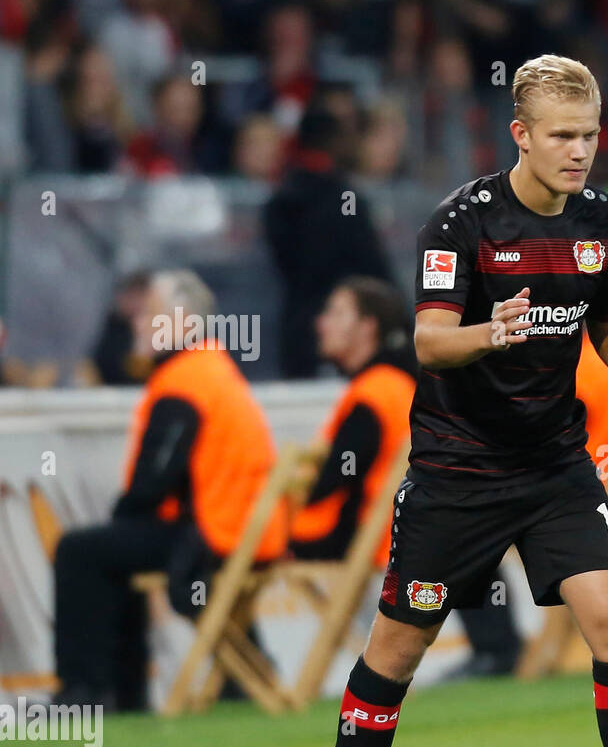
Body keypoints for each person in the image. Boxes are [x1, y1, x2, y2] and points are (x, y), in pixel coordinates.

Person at [320, 54, 608, 747]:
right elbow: (428, 342)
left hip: (555, 468)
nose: (580, 151)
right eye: (563, 136)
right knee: (398, 646)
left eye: (590, 135)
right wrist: (490, 333)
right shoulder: (460, 225)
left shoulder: (601, 220)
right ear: (521, 135)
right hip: (458, 472)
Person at [53, 271, 288, 711]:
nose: (138, 323)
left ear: (183, 323)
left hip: (212, 536)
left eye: (150, 314)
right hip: (243, 534)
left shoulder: (184, 382)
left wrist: (122, 518)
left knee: (80, 551)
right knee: (116, 546)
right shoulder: (214, 370)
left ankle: (86, 693)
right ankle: (134, 692)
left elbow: (151, 481)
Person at [289, 277, 417, 566]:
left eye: (335, 313)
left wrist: (283, 500)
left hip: (360, 539)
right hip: (399, 536)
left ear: (367, 326)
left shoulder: (373, 394)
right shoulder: (398, 384)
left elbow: (335, 477)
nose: (321, 324)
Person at [263, 104, 392, 379]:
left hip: (296, 329)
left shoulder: (279, 200)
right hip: (350, 332)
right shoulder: (346, 199)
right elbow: (374, 268)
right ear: (333, 140)